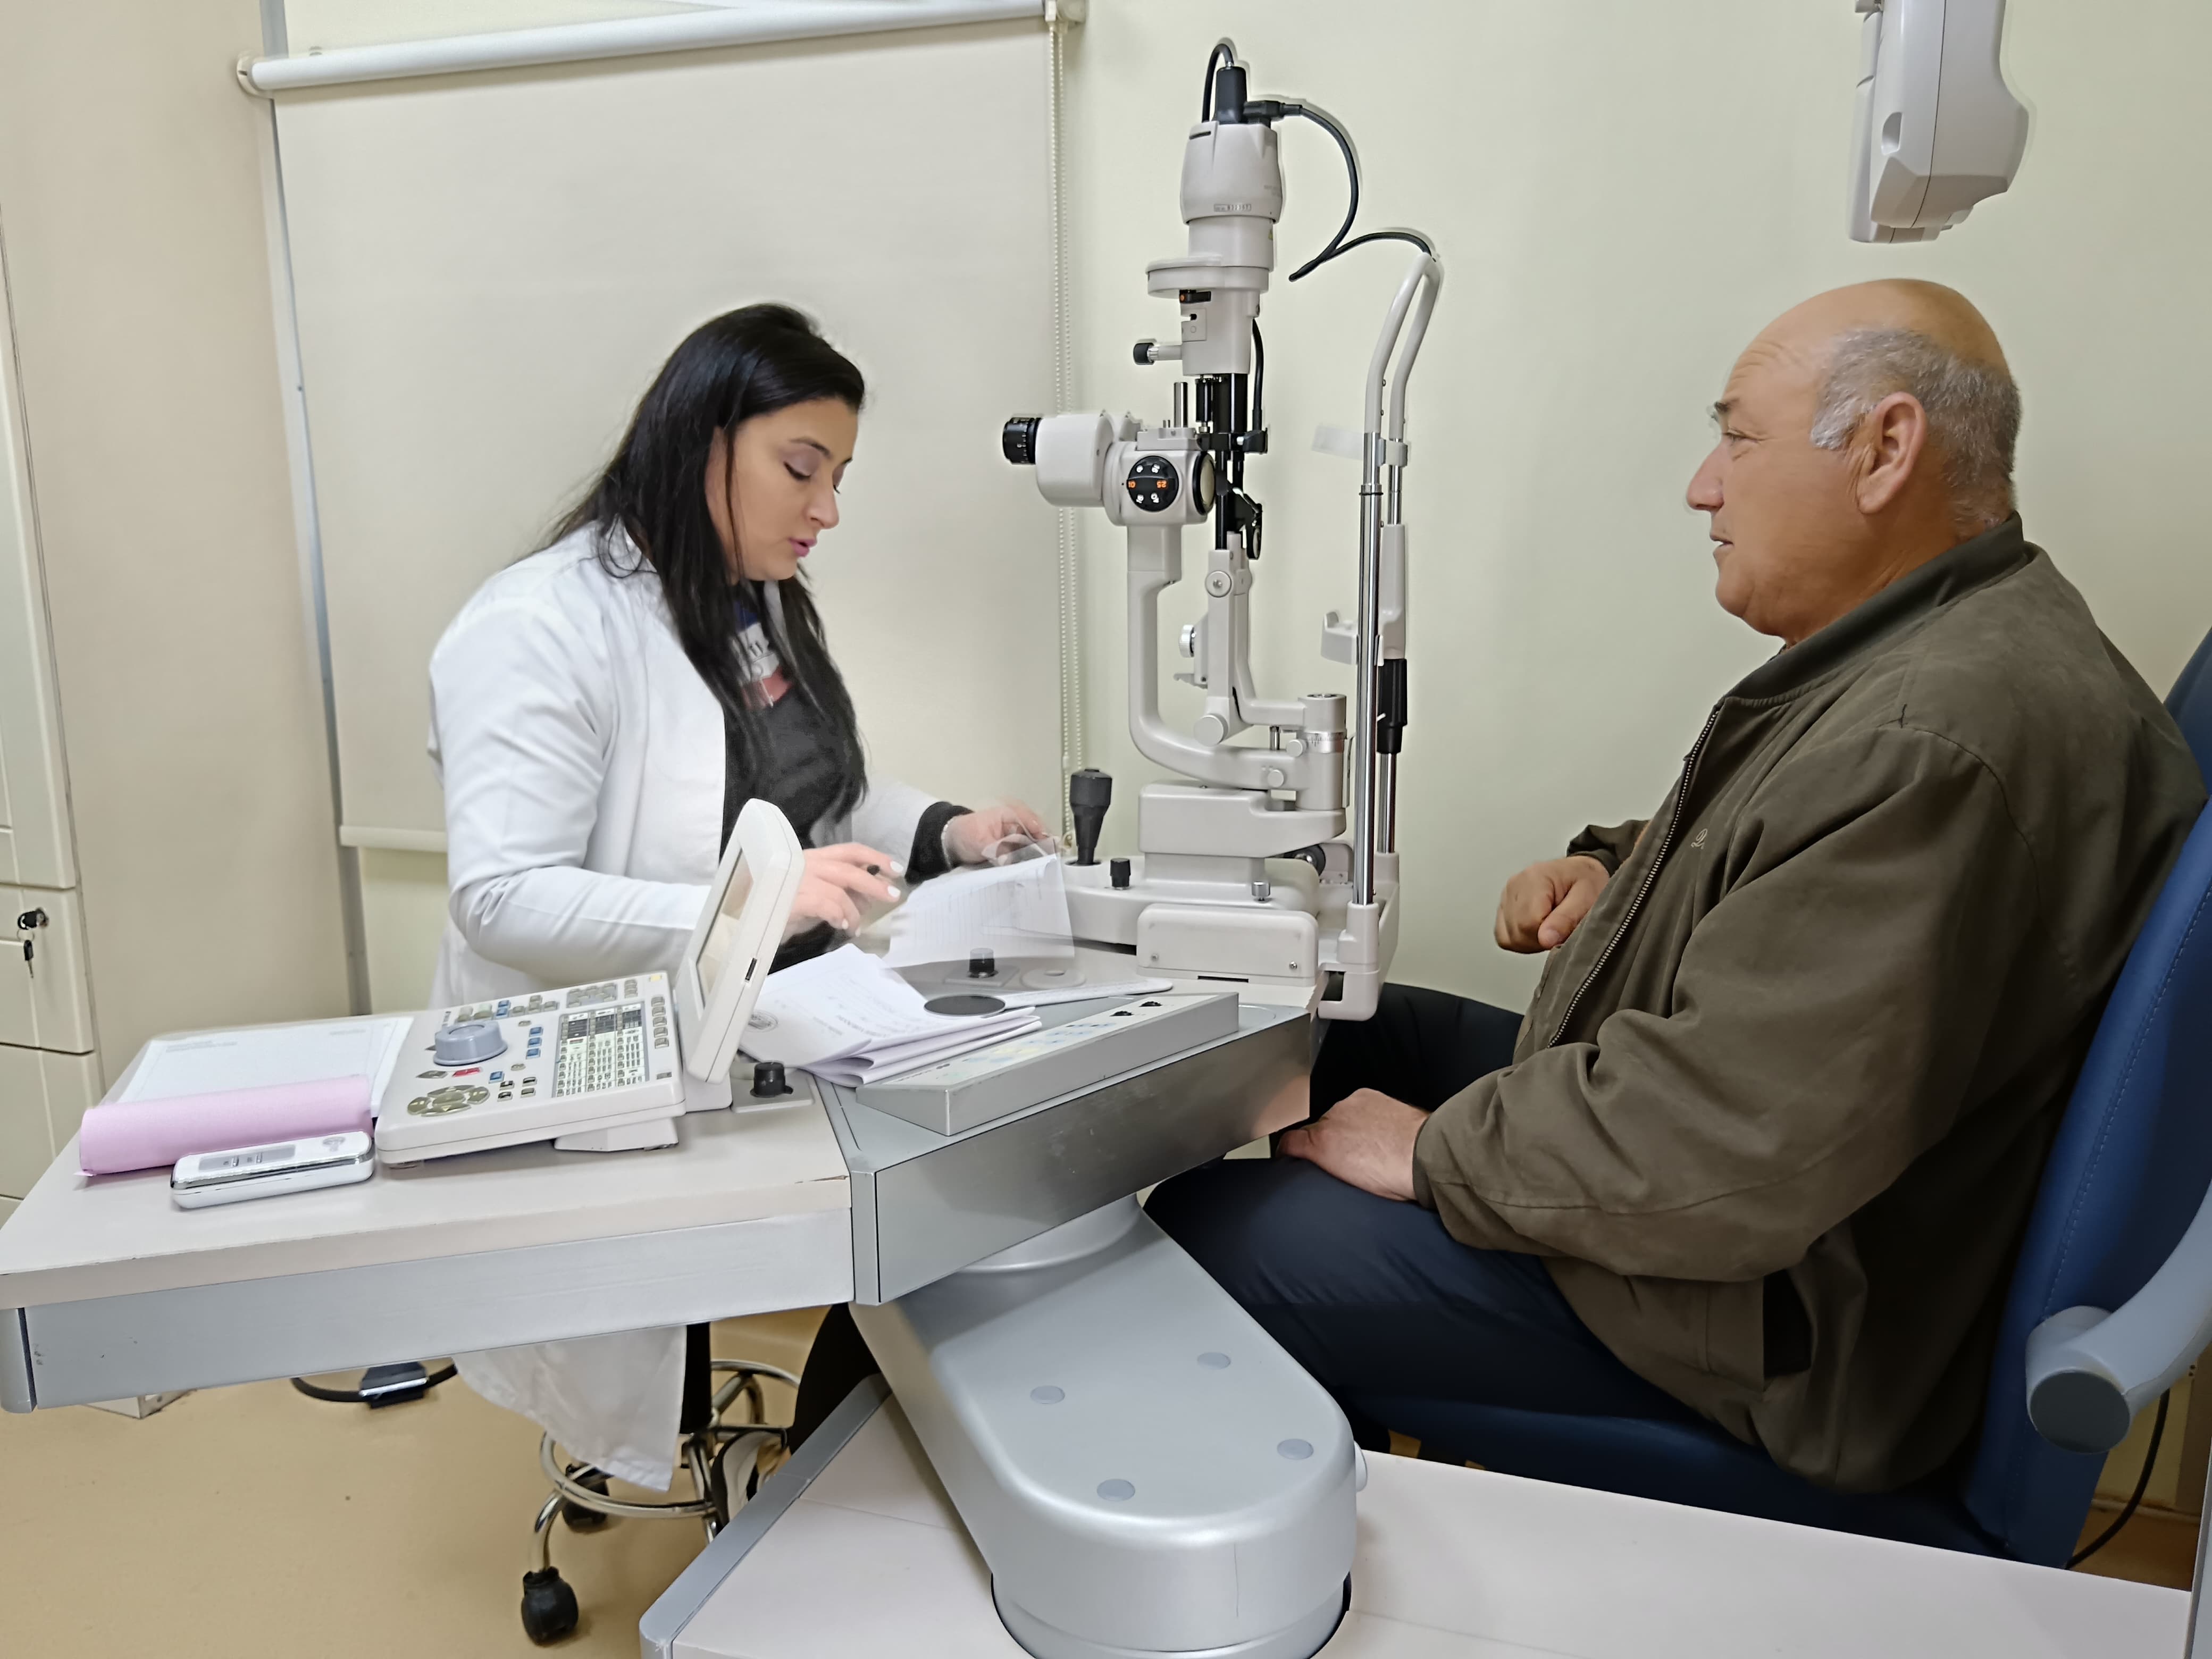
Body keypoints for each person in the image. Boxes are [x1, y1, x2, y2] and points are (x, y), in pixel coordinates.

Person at [1146, 279, 2207, 1496]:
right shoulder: (1944, 648)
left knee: (1220, 1235)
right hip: (1756, 1191)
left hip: (1779, 1318)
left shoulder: (1939, 735)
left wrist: (1436, 1153)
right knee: (1343, 1035)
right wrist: (1616, 866)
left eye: (1738, 438)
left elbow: (1732, 1143)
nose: (1704, 485)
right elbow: (1807, 852)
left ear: (1884, 449)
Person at [430, 303, 1046, 1489]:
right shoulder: (539, 626)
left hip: (761, 1023)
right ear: (701, 440)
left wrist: (944, 828)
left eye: (839, 476)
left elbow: (821, 791)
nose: (825, 510)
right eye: (799, 468)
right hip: (601, 1057)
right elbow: (502, 898)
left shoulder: (747, 601)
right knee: (662, 1305)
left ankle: (850, 1469)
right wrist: (755, 903)